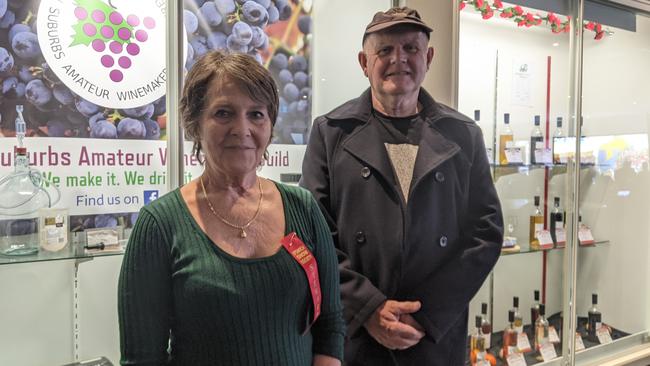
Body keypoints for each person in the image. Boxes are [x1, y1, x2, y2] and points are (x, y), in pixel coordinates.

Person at [300, 7, 503, 365]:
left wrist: (426, 314)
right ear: (365, 62)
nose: (399, 60)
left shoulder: (463, 135)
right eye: (385, 51)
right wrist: (369, 308)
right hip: (357, 336)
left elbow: (485, 233)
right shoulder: (330, 132)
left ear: (429, 57)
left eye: (411, 48)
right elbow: (313, 233)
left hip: (433, 336)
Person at [118, 51, 345, 366]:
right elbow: (142, 358)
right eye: (223, 113)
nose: (242, 129)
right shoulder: (160, 224)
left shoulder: (303, 208)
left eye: (256, 114)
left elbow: (330, 327)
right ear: (195, 124)